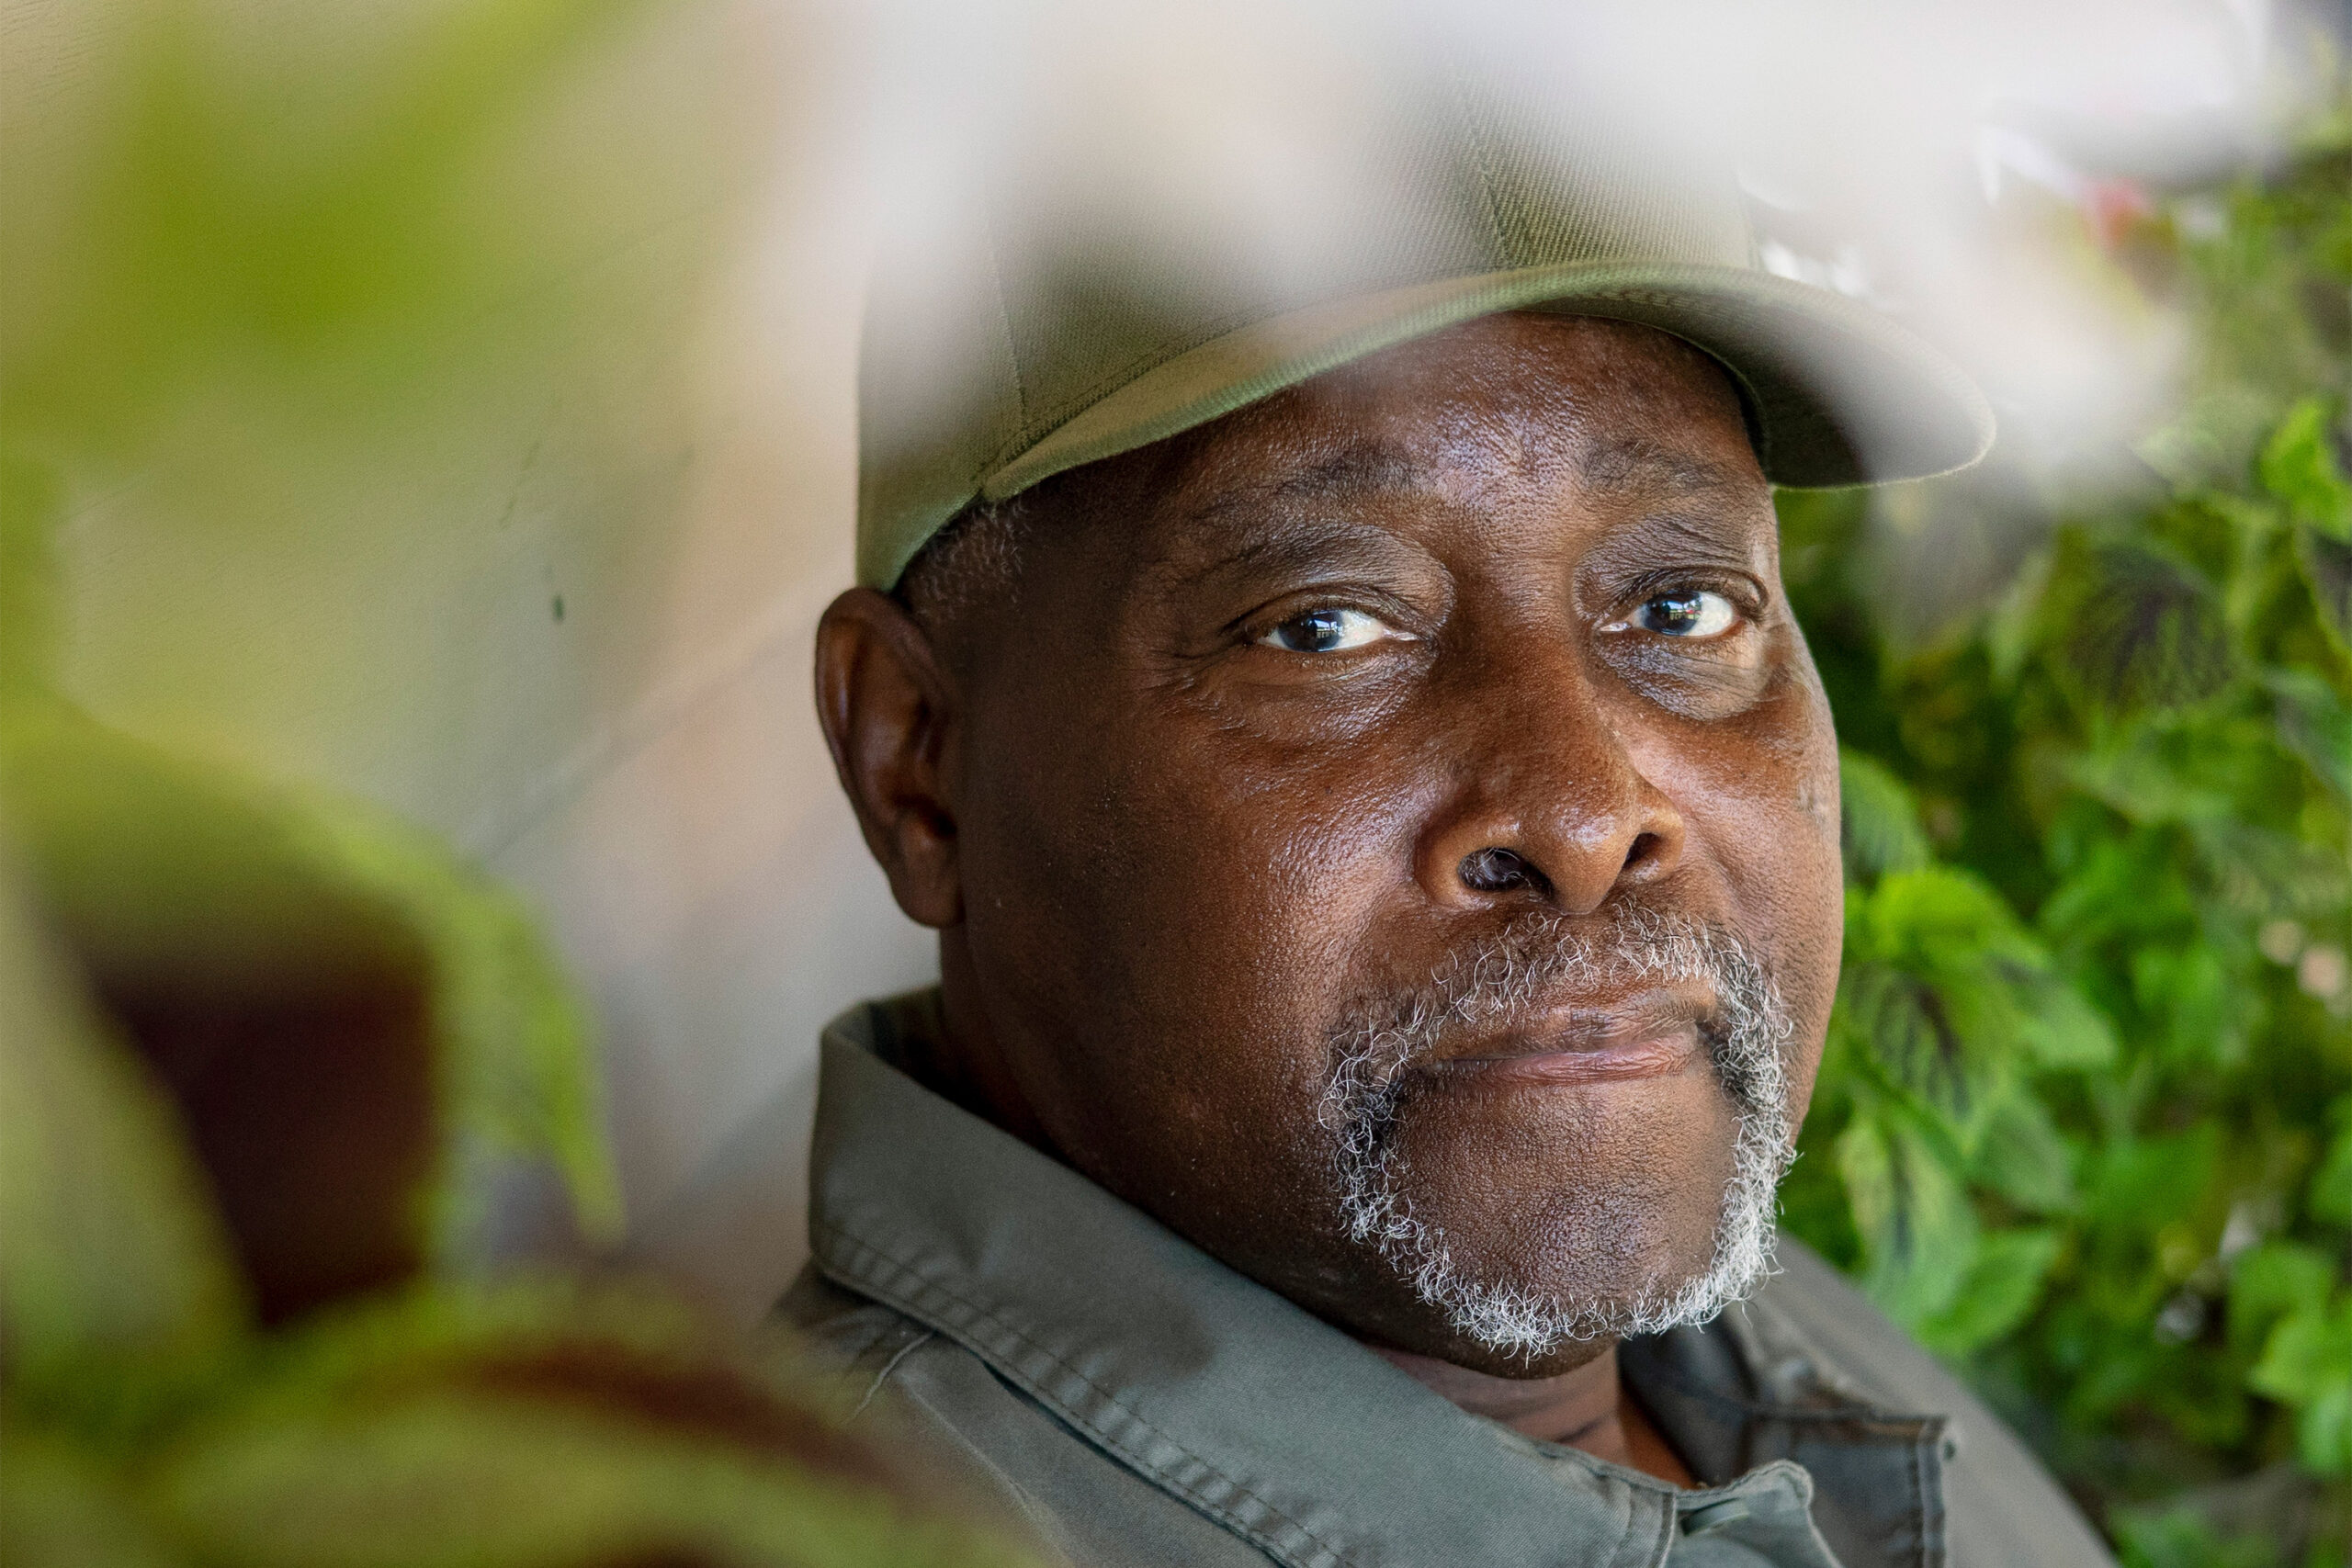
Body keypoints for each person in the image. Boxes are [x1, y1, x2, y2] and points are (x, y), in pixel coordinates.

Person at [781, 96, 2115, 1568]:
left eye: (1682, 606)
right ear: (919, 765)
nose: (1592, 817)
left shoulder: (1702, 1307)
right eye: (1326, 626)